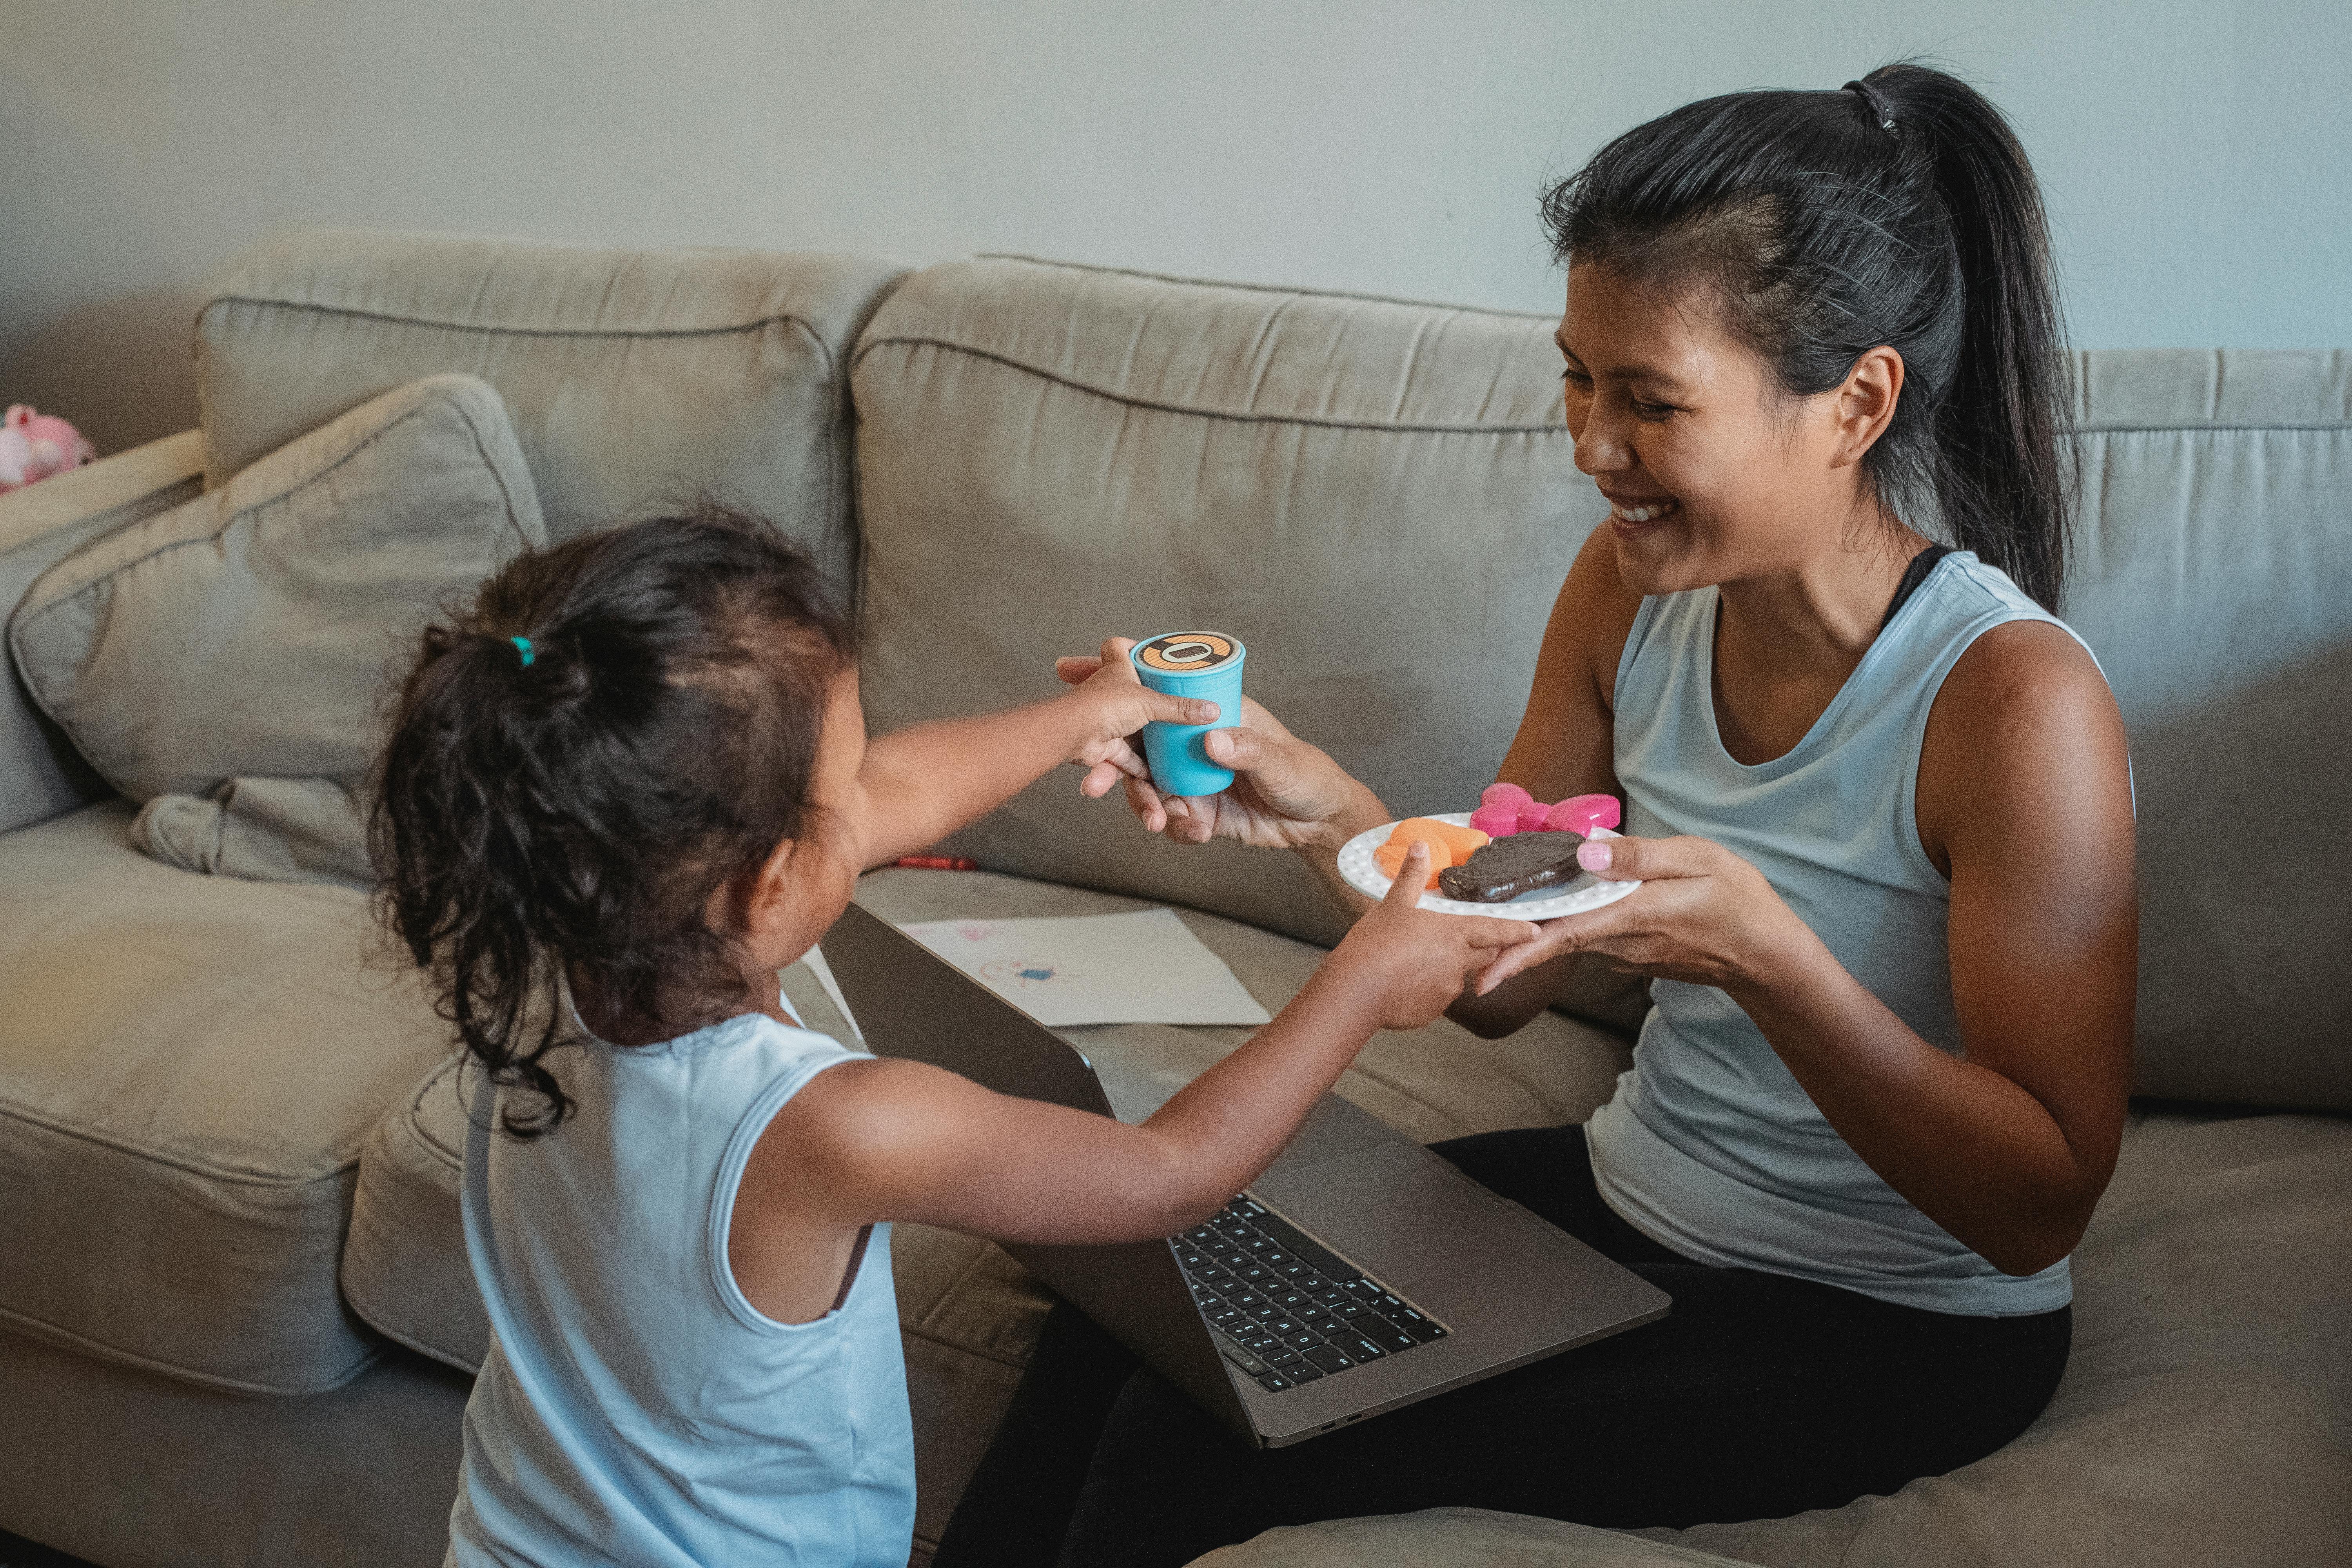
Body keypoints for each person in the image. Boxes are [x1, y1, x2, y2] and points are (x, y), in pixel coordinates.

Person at [936, 62, 2138, 1567]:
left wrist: (1772, 957)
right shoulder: (1629, 598)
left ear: (1857, 404)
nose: (1591, 446)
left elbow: (2035, 1206)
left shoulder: (2014, 706)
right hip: (1629, 1198)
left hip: (1889, 1327)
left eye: (1652, 401)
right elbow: (1521, 984)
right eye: (1579, 377)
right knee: (1157, 1282)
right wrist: (1333, 822)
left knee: (1202, 1433)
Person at [369, 504, 1537, 1568]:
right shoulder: (838, 1124)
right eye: (845, 789)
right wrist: (1362, 980)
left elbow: (900, 789)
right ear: (772, 885)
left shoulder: (531, 950)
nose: (875, 791)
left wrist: (1101, 709)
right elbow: (1173, 1178)